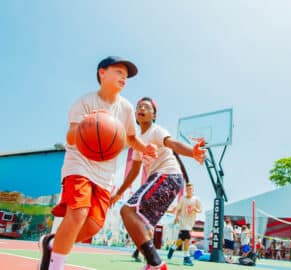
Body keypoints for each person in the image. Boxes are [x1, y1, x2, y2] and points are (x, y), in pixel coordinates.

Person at [38, 56, 157, 270]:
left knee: (93, 225)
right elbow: (70, 136)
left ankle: (52, 243)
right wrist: (89, 126)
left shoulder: (126, 109)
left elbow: (130, 137)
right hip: (79, 164)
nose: (124, 78)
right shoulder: (85, 102)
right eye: (119, 72)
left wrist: (144, 148)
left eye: (126, 75)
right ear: (102, 73)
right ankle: (55, 266)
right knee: (78, 212)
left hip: (105, 173)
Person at [110, 97, 206, 270]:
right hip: (165, 180)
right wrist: (118, 193)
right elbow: (134, 172)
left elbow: (173, 144)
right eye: (139, 106)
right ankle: (151, 264)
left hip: (167, 175)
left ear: (154, 115)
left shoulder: (156, 131)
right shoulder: (138, 140)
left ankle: (156, 264)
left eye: (146, 107)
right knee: (142, 225)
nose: (141, 108)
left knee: (127, 210)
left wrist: (192, 152)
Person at [166, 182, 202, 266]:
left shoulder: (196, 199)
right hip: (183, 221)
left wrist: (195, 209)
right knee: (187, 238)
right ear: (186, 190)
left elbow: (200, 210)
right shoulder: (182, 199)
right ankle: (186, 258)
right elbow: (178, 209)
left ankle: (173, 248)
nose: (189, 190)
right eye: (187, 189)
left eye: (190, 189)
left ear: (193, 190)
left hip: (190, 222)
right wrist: (176, 218)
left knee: (181, 239)